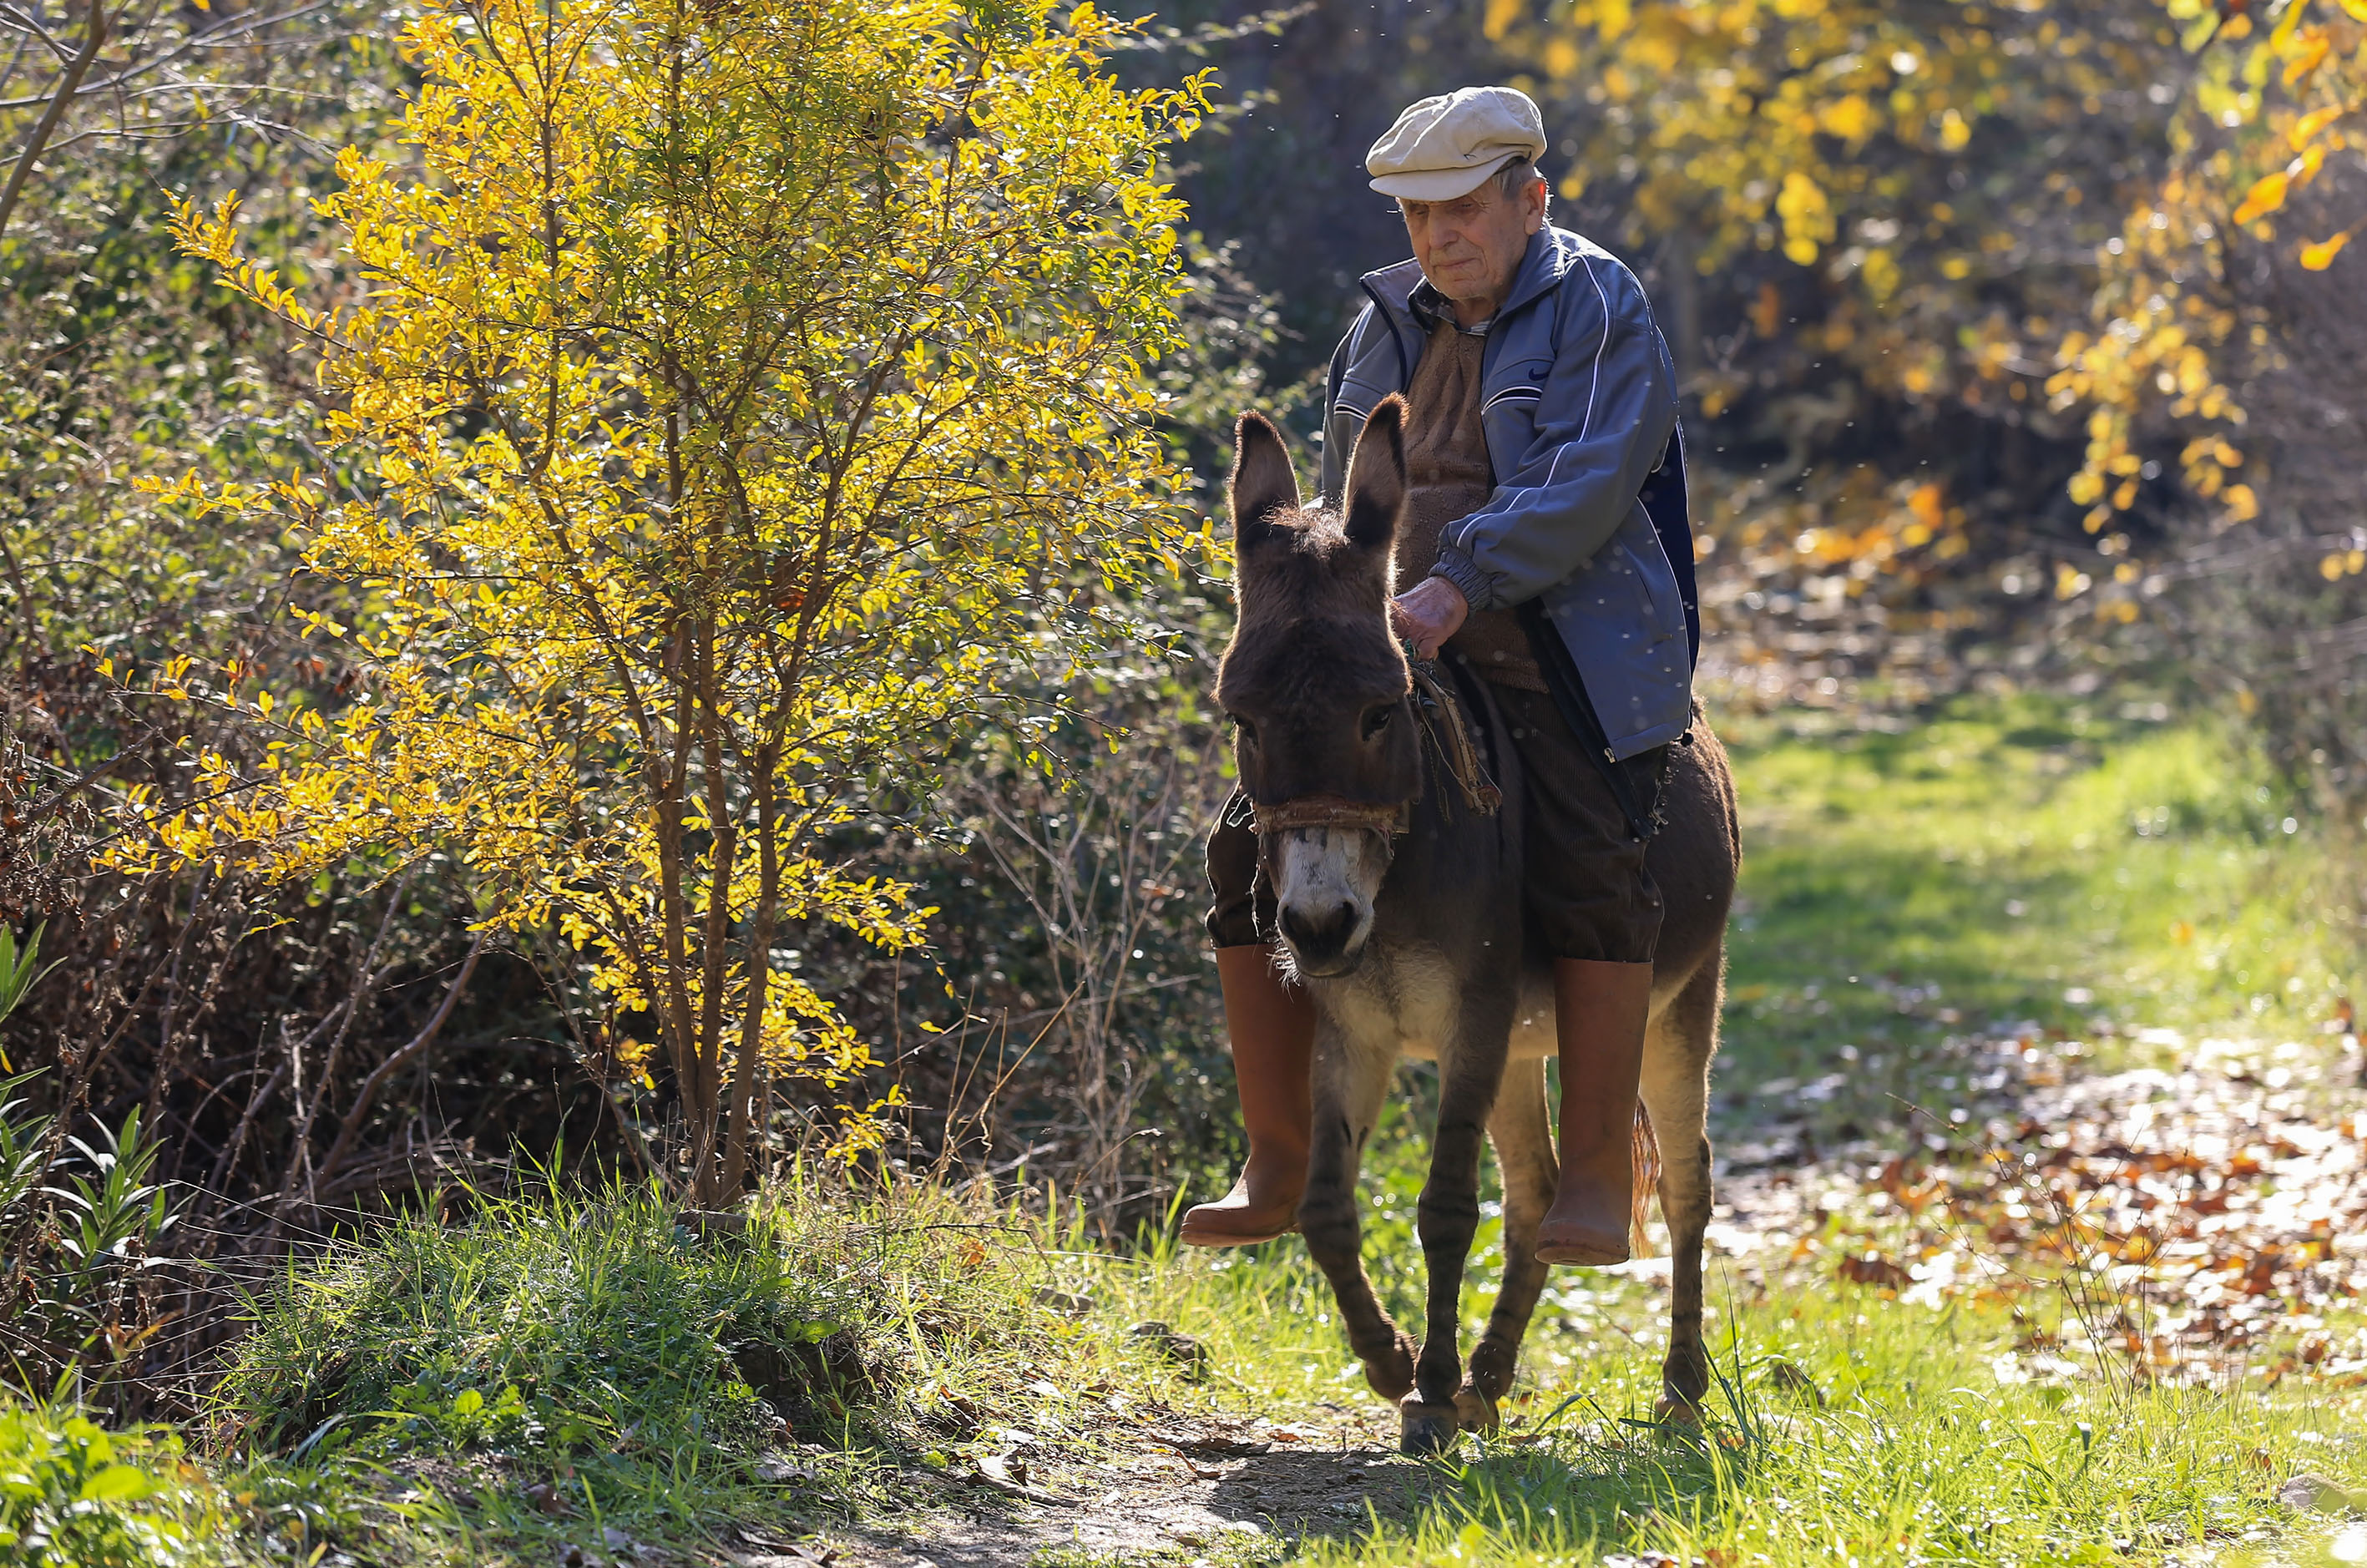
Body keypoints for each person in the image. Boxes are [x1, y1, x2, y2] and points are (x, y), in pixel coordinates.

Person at [1182, 85, 1697, 1267]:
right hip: (1400, 635)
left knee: (1592, 844)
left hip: (1563, 634)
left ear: (1532, 199)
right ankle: (1276, 1157)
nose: (1436, 237)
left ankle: (1599, 1178)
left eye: (1462, 209)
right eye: (1417, 216)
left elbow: (1590, 479)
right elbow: (1338, 501)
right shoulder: (1381, 322)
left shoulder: (1599, 305)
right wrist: (1326, 606)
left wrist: (1458, 580)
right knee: (1240, 833)